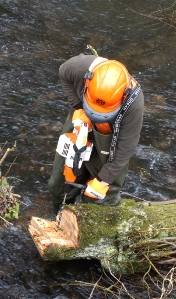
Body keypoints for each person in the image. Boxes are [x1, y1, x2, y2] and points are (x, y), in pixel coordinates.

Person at [48, 53, 144, 215]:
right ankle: (59, 209)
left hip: (112, 136)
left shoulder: (134, 104)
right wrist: (78, 106)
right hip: (80, 118)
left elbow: (125, 149)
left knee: (100, 195)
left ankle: (91, 222)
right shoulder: (78, 68)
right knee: (60, 180)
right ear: (87, 82)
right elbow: (63, 73)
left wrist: (103, 180)